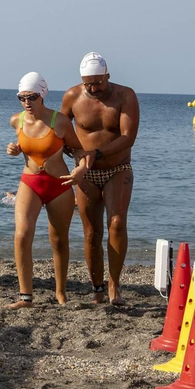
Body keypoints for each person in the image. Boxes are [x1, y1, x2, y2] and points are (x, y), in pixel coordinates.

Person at [59, 52, 139, 307]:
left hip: (118, 168)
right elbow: (59, 132)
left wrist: (98, 153)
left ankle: (114, 285)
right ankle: (97, 288)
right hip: (86, 173)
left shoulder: (126, 96)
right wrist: (75, 152)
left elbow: (128, 137)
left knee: (116, 223)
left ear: (107, 76)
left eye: (98, 82)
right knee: (92, 233)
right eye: (88, 83)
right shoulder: (72, 96)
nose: (93, 88)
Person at [4, 72, 78, 308]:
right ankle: (25, 296)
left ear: (42, 96)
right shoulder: (16, 121)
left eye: (32, 97)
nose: (27, 102)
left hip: (59, 185)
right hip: (30, 183)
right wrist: (14, 150)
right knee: (22, 234)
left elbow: (80, 150)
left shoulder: (61, 121)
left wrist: (82, 168)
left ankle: (61, 292)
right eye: (22, 97)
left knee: (59, 241)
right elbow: (24, 148)